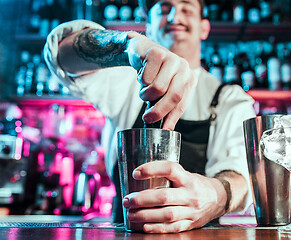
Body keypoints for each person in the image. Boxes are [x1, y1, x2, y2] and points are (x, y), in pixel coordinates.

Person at [44, 0, 256, 233]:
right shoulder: (123, 81)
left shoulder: (229, 98)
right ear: (150, 27)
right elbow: (59, 53)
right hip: (124, 232)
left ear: (204, 28)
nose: (175, 16)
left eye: (186, 8)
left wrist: (214, 196)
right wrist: (128, 45)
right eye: (164, 9)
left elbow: (241, 177)